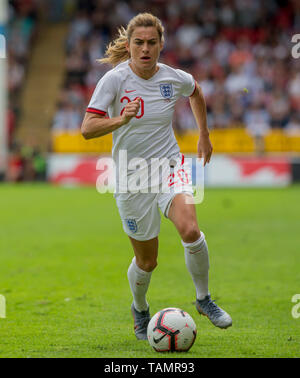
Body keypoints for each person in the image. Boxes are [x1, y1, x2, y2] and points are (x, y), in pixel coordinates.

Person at [81, 13, 232, 340]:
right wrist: (120, 120)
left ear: (161, 44)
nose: (145, 49)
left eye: (152, 43)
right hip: (131, 178)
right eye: (139, 43)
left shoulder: (172, 77)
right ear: (130, 45)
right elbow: (87, 128)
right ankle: (139, 306)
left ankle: (204, 299)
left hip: (169, 167)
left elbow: (196, 92)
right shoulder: (114, 81)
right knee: (147, 263)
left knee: (191, 229)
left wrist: (204, 134)